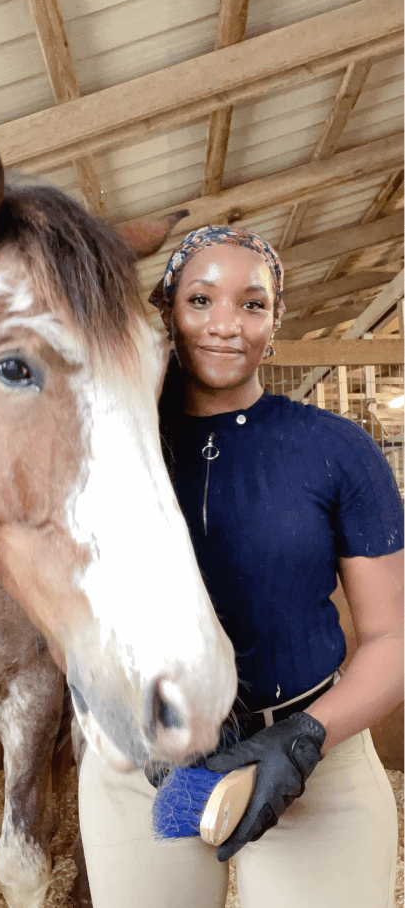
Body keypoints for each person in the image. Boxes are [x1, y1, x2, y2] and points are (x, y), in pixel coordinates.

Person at [78, 225, 404, 908]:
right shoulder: (104, 443)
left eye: (251, 304)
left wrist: (304, 739)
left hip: (310, 764)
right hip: (152, 767)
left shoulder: (337, 449)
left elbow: (392, 638)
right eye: (200, 300)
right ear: (166, 309)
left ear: (275, 319)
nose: (225, 325)